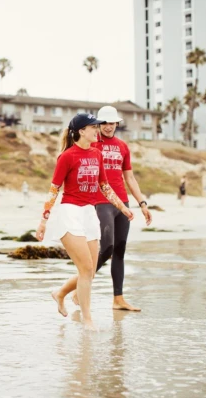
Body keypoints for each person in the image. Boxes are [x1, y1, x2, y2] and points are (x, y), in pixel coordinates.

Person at [36, 113, 133, 330]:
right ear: (82, 131)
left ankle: (60, 294)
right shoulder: (67, 157)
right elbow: (54, 189)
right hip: (70, 213)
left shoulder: (97, 155)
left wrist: (123, 208)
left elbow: (105, 186)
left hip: (90, 213)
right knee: (87, 267)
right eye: (93, 127)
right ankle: (87, 319)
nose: (97, 130)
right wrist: (43, 221)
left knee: (89, 271)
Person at [69, 106, 152, 312]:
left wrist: (142, 203)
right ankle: (77, 288)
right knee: (105, 249)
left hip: (122, 202)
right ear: (98, 125)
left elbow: (129, 177)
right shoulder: (91, 143)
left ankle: (118, 299)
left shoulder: (123, 146)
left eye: (112, 123)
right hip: (100, 201)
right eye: (104, 123)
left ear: (117, 123)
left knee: (119, 251)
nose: (108, 127)